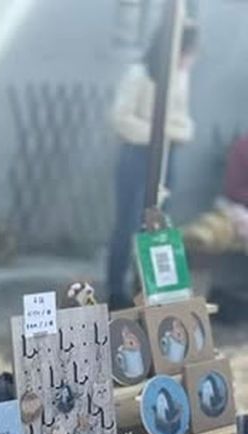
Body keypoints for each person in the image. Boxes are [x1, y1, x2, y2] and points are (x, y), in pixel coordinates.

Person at [106, 20, 198, 308]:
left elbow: (185, 125)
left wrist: (164, 131)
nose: (190, 59)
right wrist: (160, 131)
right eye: (187, 52)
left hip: (168, 157)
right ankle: (116, 290)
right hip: (136, 156)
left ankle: (152, 290)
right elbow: (121, 119)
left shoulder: (180, 78)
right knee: (127, 224)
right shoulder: (139, 74)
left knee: (160, 225)